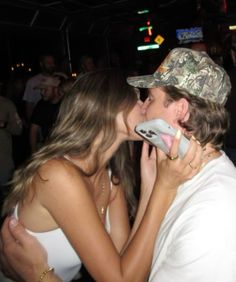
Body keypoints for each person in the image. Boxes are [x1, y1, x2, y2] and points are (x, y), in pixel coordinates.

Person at [0, 68, 202, 282]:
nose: (145, 106)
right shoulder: (57, 175)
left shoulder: (109, 176)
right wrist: (165, 187)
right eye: (136, 99)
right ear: (109, 106)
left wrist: (150, 188)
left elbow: (128, 261)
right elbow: (121, 279)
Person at [126, 47, 236, 281]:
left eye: (151, 98)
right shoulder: (177, 174)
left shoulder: (213, 212)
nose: (143, 107)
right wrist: (151, 188)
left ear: (180, 109)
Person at [29, 75, 68, 153]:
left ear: (56, 89)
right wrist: (34, 153)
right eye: (41, 90)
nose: (42, 93)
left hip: (65, 147)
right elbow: (33, 130)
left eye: (45, 90)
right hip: (48, 148)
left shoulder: (67, 103)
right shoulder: (41, 104)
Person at [23, 54, 56, 121]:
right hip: (41, 121)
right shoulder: (32, 82)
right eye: (48, 63)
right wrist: (32, 124)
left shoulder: (60, 79)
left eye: (52, 62)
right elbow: (29, 106)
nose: (51, 65)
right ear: (41, 64)